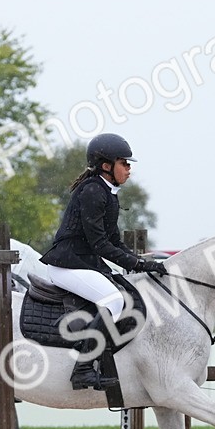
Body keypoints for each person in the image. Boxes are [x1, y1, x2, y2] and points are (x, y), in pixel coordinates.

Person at [40, 133, 166, 389]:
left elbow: (114, 242)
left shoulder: (108, 193)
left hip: (82, 263)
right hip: (66, 265)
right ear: (106, 165)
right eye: (124, 163)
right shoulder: (93, 192)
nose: (129, 169)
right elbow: (100, 245)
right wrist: (137, 265)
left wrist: (142, 262)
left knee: (127, 294)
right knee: (113, 300)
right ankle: (83, 368)